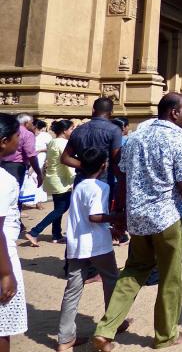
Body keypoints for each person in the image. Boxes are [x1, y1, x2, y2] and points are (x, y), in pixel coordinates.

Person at [92, 93, 182, 351]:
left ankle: (106, 329)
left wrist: (121, 212)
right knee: (171, 277)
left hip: (138, 218)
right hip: (167, 219)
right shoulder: (178, 140)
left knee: (133, 271)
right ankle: (166, 336)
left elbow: (121, 175)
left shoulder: (135, 137)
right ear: (174, 113)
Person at [57, 148, 131, 351]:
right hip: (98, 244)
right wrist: (116, 218)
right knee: (111, 282)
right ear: (103, 165)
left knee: (72, 290)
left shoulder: (79, 186)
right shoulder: (101, 187)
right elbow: (95, 216)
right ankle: (112, 326)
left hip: (77, 244)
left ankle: (64, 339)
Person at [24, 119, 75, 246]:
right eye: (71, 129)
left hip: (54, 178)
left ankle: (56, 234)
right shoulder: (63, 143)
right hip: (61, 180)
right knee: (62, 208)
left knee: (58, 207)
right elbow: (67, 163)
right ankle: (34, 232)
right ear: (64, 131)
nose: (72, 131)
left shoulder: (53, 141)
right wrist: (74, 177)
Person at [0, 113, 26, 349]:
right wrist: (6, 273)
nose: (21, 140)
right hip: (2, 258)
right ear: (3, 141)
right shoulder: (4, 180)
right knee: (2, 329)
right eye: (17, 136)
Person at [60, 97, 122, 189]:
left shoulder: (78, 130)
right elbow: (117, 160)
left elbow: (65, 158)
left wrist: (86, 165)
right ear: (111, 112)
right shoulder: (114, 130)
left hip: (81, 179)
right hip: (103, 180)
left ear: (93, 110)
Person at [2, 114, 41, 227]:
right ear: (26, 123)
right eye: (32, 122)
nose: (33, 125)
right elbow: (31, 155)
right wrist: (38, 173)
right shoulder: (27, 134)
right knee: (14, 194)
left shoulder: (8, 128)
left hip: (5, 164)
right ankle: (13, 221)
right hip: (16, 166)